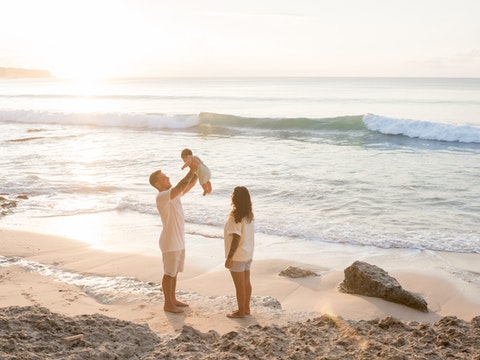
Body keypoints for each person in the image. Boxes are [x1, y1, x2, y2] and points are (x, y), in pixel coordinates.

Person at [149, 162, 198, 313]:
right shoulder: (162, 196)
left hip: (178, 240)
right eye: (164, 177)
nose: (168, 177)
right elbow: (180, 186)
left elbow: (188, 185)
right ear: (157, 184)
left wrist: (196, 169)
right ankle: (167, 304)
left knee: (174, 272)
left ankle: (173, 299)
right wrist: (192, 170)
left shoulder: (173, 194)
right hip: (170, 242)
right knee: (169, 273)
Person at [223, 186, 255, 318]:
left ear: (235, 199)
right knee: (246, 282)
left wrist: (229, 257)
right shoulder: (249, 215)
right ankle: (246, 308)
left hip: (238, 255)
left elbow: (236, 238)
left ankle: (241, 311)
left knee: (239, 285)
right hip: (248, 253)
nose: (231, 196)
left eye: (232, 195)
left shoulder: (235, 217)